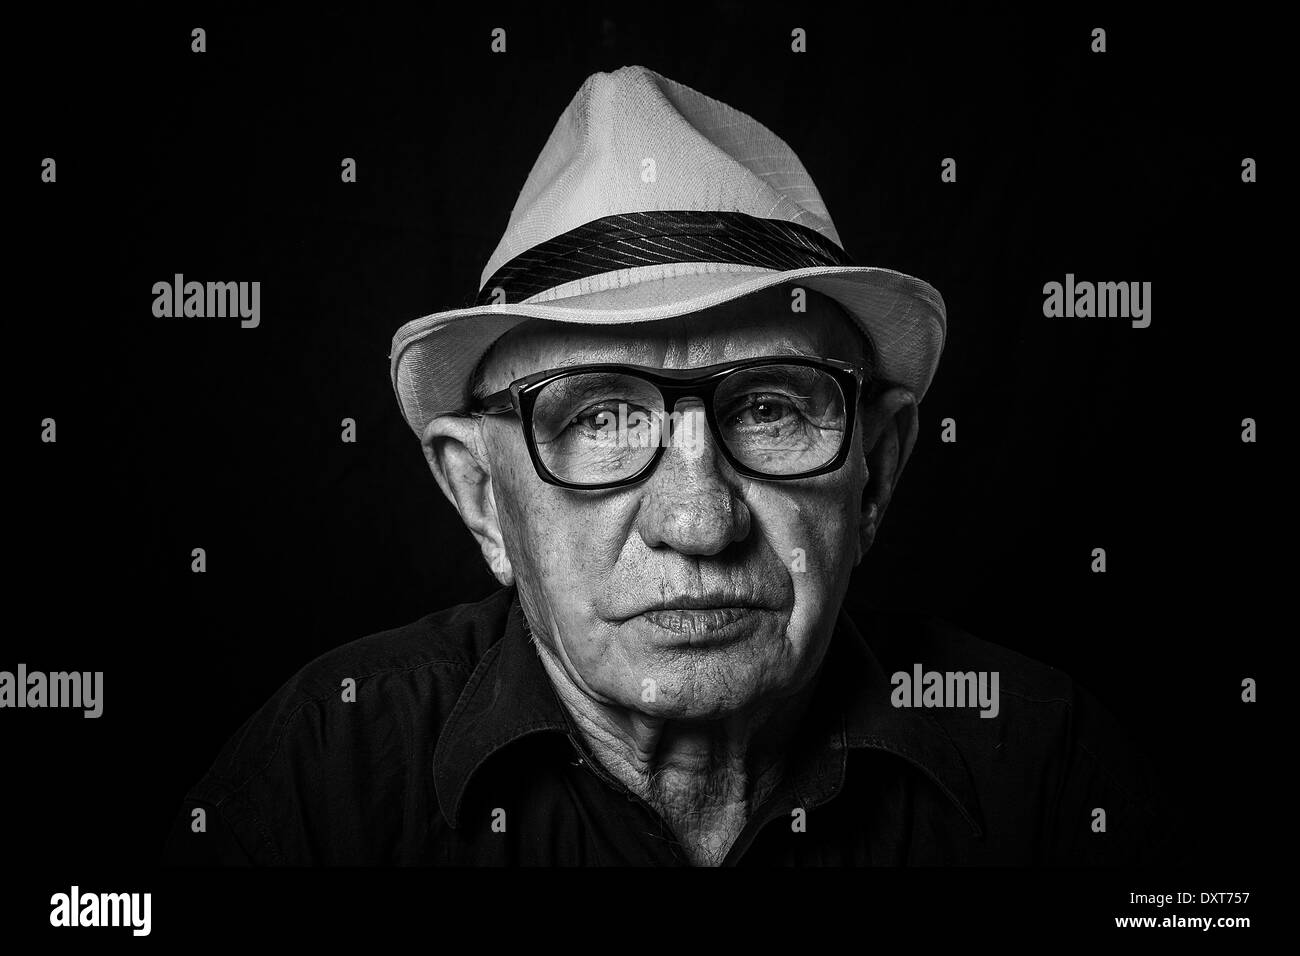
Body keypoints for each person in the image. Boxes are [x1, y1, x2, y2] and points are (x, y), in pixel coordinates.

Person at [165, 65, 1174, 866]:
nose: (698, 519)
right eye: (600, 416)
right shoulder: (324, 777)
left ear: (879, 467)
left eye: (772, 406)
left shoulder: (1046, 769)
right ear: (480, 495)